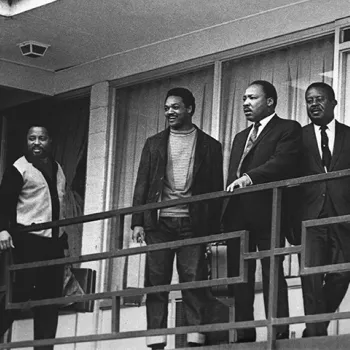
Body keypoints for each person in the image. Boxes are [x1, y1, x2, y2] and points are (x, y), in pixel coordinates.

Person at [131, 87, 223, 349]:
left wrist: (213, 230)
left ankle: (195, 338)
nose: (169, 112)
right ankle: (156, 341)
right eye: (166, 108)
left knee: (194, 281)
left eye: (175, 107)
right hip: (159, 225)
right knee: (156, 283)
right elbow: (142, 183)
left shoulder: (210, 145)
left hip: (193, 225)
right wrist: (138, 221)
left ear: (190, 109)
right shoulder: (153, 143)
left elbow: (216, 190)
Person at [222, 80, 302, 342]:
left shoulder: (287, 128)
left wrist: (248, 178)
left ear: (269, 101)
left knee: (272, 273)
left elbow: (281, 163)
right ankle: (244, 335)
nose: (245, 103)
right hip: (238, 216)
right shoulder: (239, 137)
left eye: (252, 98)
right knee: (240, 278)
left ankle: (277, 333)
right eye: (244, 98)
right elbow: (230, 178)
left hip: (270, 213)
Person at [0, 124, 66, 350]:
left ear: (51, 141)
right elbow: (3, 202)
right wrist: (2, 229)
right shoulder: (19, 168)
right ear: (26, 141)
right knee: (19, 294)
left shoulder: (58, 168)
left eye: (42, 138)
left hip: (54, 242)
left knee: (50, 300)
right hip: (29, 240)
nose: (36, 143)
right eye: (31, 138)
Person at [299, 82, 350, 337]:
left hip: (343, 217)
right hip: (311, 218)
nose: (314, 104)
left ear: (333, 103)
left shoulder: (349, 135)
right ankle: (316, 336)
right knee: (310, 278)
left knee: (343, 272)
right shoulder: (299, 137)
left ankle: (314, 330)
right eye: (309, 100)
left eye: (319, 99)